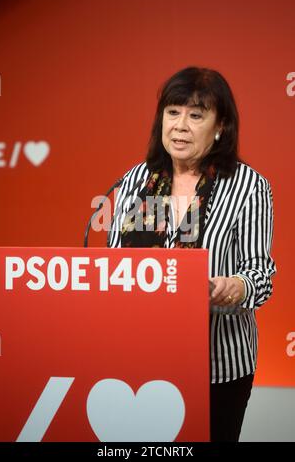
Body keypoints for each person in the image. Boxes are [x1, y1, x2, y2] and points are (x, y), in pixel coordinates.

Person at [107, 66, 276, 442]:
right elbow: (117, 266)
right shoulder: (140, 180)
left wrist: (234, 286)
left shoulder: (247, 186)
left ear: (220, 127)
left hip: (217, 368)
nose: (180, 125)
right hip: (142, 361)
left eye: (195, 115)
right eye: (173, 112)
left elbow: (260, 277)